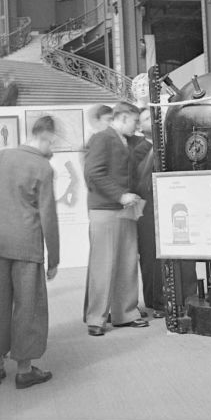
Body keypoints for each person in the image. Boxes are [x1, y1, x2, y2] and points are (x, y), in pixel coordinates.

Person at [0, 116, 60, 389]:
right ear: (45, 137)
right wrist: (54, 259)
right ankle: (24, 369)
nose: (54, 148)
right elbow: (48, 216)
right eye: (54, 142)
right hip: (26, 246)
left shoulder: (0, 157)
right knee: (29, 307)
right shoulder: (43, 167)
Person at [83, 102, 149, 336]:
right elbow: (93, 173)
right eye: (134, 121)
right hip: (106, 209)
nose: (137, 126)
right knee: (104, 264)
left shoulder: (127, 140)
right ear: (121, 118)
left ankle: (126, 313)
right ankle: (96, 318)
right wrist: (119, 195)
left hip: (125, 208)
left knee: (127, 262)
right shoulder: (102, 138)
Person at [135, 108, 165, 317]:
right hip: (147, 209)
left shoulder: (166, 144)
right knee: (149, 257)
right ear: (139, 126)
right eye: (146, 118)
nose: (152, 120)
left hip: (166, 206)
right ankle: (155, 302)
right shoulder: (138, 148)